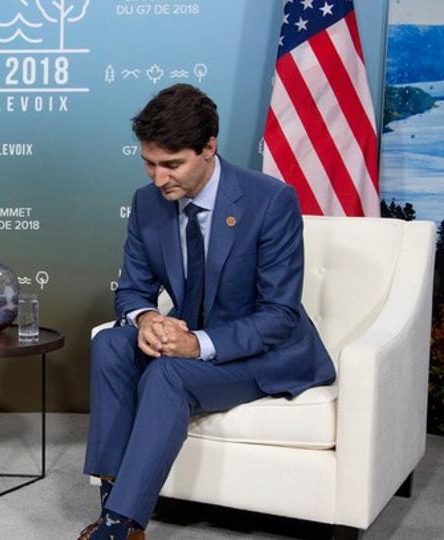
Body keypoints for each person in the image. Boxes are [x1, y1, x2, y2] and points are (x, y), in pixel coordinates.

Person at [79, 84, 335, 539]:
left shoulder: (271, 201)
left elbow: (279, 314)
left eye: (172, 164)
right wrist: (146, 320)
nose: (159, 179)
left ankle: (121, 525)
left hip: (264, 352)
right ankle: (111, 505)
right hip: (191, 332)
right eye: (149, 164)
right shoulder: (146, 203)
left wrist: (197, 344)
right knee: (110, 344)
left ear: (209, 147)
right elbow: (133, 289)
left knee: (169, 373)